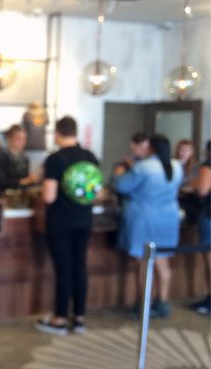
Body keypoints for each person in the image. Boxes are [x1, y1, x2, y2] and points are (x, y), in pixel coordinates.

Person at [35, 116, 99, 335]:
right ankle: (79, 318)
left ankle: (60, 319)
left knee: (63, 269)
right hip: (84, 219)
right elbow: (95, 191)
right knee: (79, 266)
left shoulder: (55, 159)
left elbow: (49, 196)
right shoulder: (90, 156)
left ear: (57, 134)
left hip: (61, 222)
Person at [114, 134, 183, 318]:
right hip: (169, 218)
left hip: (145, 218)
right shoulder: (176, 166)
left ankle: (145, 304)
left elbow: (121, 186)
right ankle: (163, 302)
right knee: (163, 260)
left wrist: (121, 170)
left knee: (144, 262)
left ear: (151, 147)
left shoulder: (144, 167)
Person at [189, 140, 211, 314]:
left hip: (209, 215)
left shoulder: (207, 167)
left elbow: (202, 189)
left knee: (209, 259)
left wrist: (194, 184)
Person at [0, 125, 37, 196]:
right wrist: (23, 181)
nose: (22, 142)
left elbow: (26, 180)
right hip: (4, 197)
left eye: (24, 139)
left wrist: (32, 180)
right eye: (19, 139)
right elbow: (0, 182)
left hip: (21, 197)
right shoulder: (2, 157)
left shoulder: (25, 158)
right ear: (9, 139)